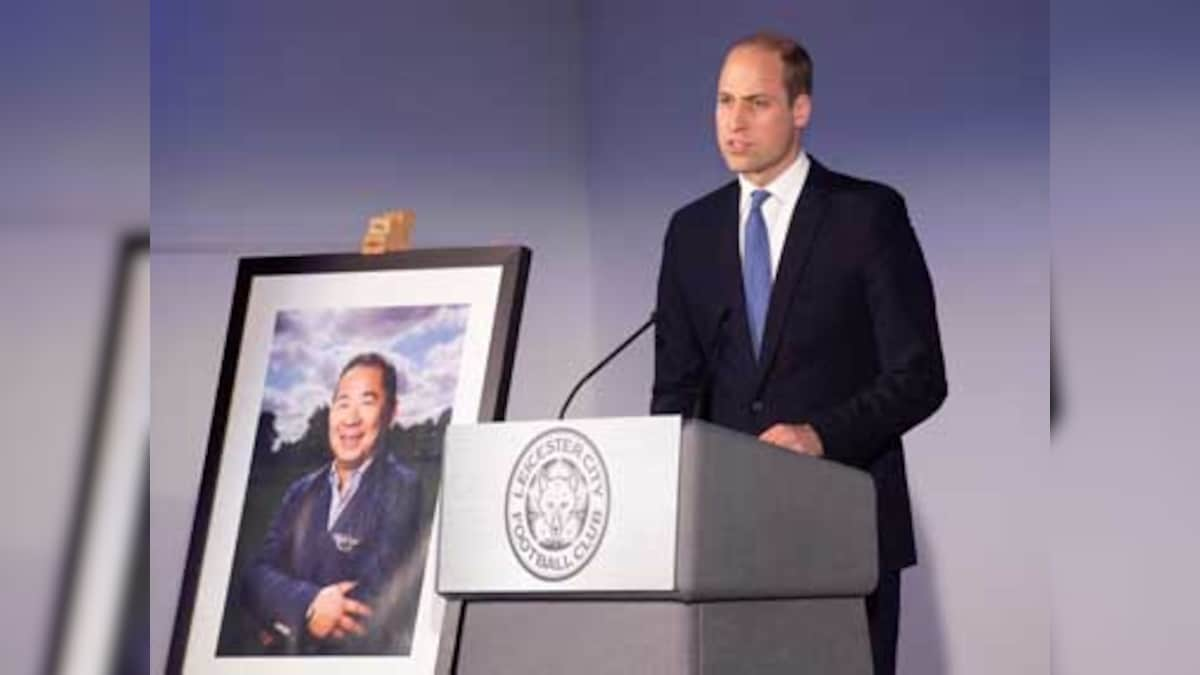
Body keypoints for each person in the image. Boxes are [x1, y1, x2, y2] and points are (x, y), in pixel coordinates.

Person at [651, 33, 947, 675]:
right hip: (726, 543)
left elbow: (921, 375)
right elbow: (674, 391)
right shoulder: (691, 231)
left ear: (801, 110)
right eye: (724, 101)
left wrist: (821, 435)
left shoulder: (865, 215)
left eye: (756, 102)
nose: (734, 121)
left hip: (842, 526)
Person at [242, 352, 422, 655]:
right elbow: (254, 577)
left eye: (367, 401)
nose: (350, 418)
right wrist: (307, 606)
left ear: (391, 412)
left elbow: (364, 607)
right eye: (342, 403)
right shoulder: (300, 491)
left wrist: (278, 614)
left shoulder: (404, 487)